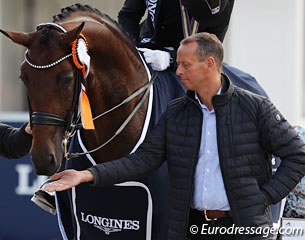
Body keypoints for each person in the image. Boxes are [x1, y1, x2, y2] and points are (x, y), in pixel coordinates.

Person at [44, 32, 305, 240]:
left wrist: (264, 197)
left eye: (185, 65)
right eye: (178, 63)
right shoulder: (177, 112)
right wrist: (85, 175)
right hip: (192, 230)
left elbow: (297, 155)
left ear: (210, 64)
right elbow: (142, 160)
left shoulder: (255, 107)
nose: (177, 72)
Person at [118, 0, 268, 97]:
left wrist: (171, 58)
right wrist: (131, 50)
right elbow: (128, 15)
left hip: (193, 58)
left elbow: (212, 45)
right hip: (149, 47)